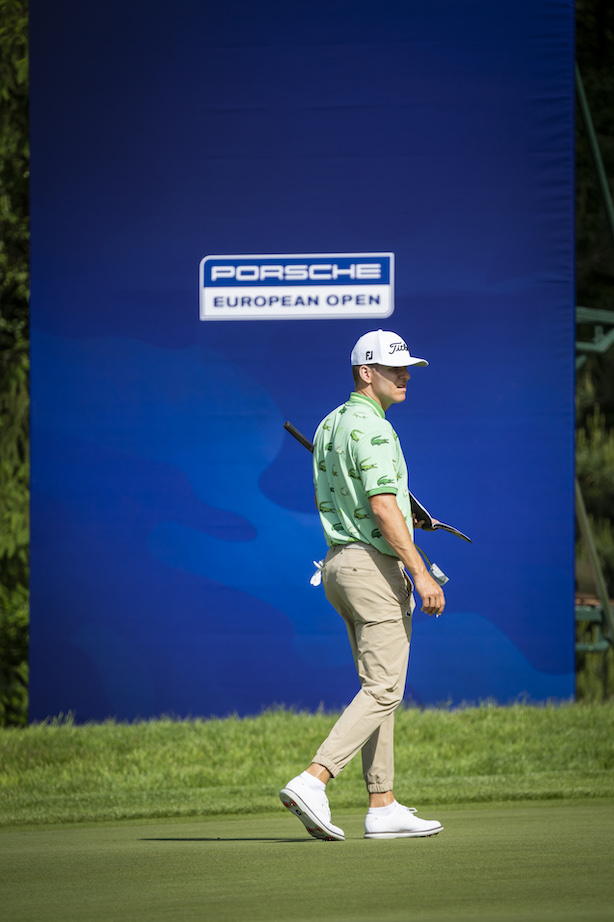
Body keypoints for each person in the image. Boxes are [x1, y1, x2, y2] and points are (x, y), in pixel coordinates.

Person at [280, 329, 446, 841]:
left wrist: (404, 512)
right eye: (394, 368)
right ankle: (315, 779)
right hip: (372, 569)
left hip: (338, 565)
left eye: (407, 368)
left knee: (380, 688)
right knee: (383, 687)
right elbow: (378, 504)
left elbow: (364, 498)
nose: (405, 376)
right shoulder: (374, 429)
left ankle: (383, 804)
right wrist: (419, 571)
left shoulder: (331, 423)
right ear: (364, 372)